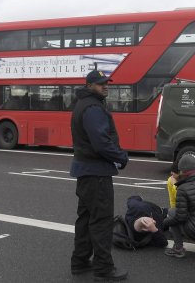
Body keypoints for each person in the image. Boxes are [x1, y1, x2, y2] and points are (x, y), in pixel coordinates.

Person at [70, 70, 129, 281]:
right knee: (102, 221)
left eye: (107, 83)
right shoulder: (93, 108)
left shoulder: (83, 104)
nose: (106, 86)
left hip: (85, 171)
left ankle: (79, 261)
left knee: (85, 219)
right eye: (100, 84)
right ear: (89, 85)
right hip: (97, 173)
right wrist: (121, 157)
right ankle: (103, 269)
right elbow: (101, 142)